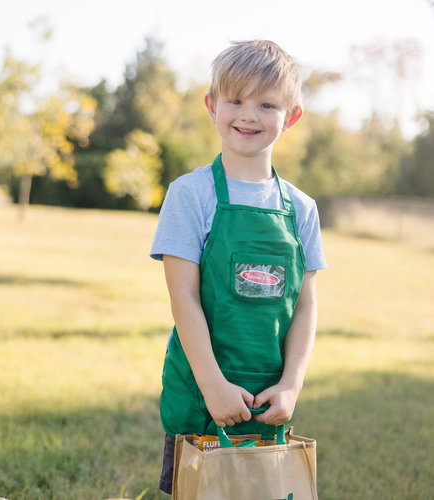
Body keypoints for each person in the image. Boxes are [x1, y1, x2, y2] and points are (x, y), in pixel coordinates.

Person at [150, 39, 327, 495]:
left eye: (266, 103)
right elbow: (182, 295)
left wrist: (291, 384)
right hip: (201, 394)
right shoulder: (190, 195)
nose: (248, 114)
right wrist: (213, 385)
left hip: (267, 399)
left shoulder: (302, 209)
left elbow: (306, 306)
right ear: (212, 106)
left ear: (290, 116)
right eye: (235, 100)